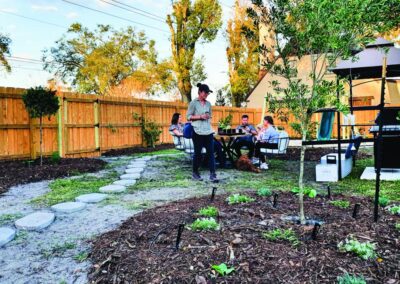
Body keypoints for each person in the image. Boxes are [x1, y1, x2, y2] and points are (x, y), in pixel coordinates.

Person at [187, 83, 218, 181]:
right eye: (205, 93)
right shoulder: (193, 103)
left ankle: (213, 174)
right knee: (198, 153)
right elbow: (188, 117)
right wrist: (200, 117)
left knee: (211, 153)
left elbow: (210, 115)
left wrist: (208, 116)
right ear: (200, 92)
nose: (206, 95)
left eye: (208, 93)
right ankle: (195, 172)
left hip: (208, 131)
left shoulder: (208, 104)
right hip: (197, 131)